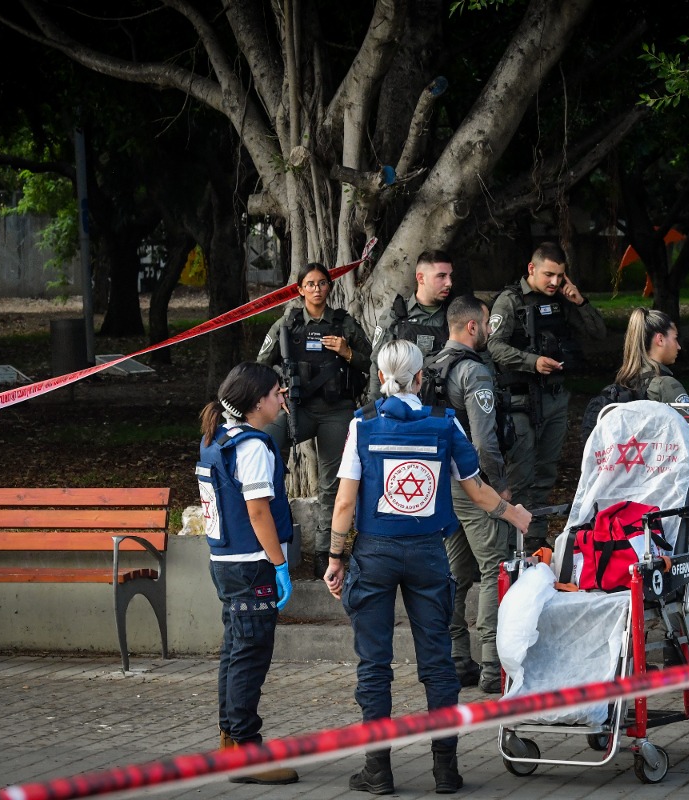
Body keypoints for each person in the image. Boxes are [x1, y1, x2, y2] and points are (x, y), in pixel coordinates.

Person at [323, 339, 532, 795]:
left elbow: (344, 501)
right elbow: (477, 491)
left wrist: (337, 557)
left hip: (374, 553)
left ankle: (377, 771)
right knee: (437, 664)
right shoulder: (445, 423)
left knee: (374, 665)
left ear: (381, 378)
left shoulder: (363, 425)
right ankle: (446, 770)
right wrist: (515, 515)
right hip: (427, 553)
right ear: (421, 378)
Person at [195, 362, 298, 785]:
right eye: (277, 392)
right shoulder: (252, 446)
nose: (281, 398)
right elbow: (258, 511)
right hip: (251, 563)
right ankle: (247, 752)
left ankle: (230, 742)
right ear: (257, 401)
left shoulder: (218, 437)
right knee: (250, 657)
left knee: (235, 652)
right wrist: (279, 564)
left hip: (226, 562)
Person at [487, 241, 606, 550]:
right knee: (521, 475)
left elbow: (598, 333)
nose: (554, 282)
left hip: (554, 398)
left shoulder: (563, 301)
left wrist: (579, 302)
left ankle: (536, 538)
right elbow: (495, 346)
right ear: (532, 269)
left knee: (546, 472)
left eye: (560, 276)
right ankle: (514, 542)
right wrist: (532, 362)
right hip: (520, 401)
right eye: (549, 274)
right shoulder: (510, 301)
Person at [257, 262, 373, 579]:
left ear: (330, 287)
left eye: (322, 283)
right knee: (263, 445)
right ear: (299, 290)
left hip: (337, 411)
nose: (317, 289)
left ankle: (325, 552)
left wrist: (348, 352)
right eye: (310, 284)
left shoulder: (344, 323)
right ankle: (266, 532)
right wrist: (274, 391)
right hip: (298, 409)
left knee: (331, 484)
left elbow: (373, 363)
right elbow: (261, 365)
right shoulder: (287, 324)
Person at [422, 295, 513, 694]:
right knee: (495, 566)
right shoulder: (473, 372)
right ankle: (493, 665)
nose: (491, 332)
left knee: (455, 573)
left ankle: (457, 658)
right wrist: (499, 486)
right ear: (473, 327)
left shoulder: (428, 367)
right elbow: (484, 442)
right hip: (471, 484)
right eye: (487, 325)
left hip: (436, 484)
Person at [580, 307, 689, 443]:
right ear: (660, 339)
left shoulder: (625, 382)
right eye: (675, 339)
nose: (679, 346)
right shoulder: (666, 384)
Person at [367, 249, 454, 400]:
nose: (449, 283)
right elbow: (378, 363)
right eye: (441, 276)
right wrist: (375, 407)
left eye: (450, 276)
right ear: (421, 278)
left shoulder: (455, 316)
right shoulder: (396, 315)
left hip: (442, 405)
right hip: (401, 403)